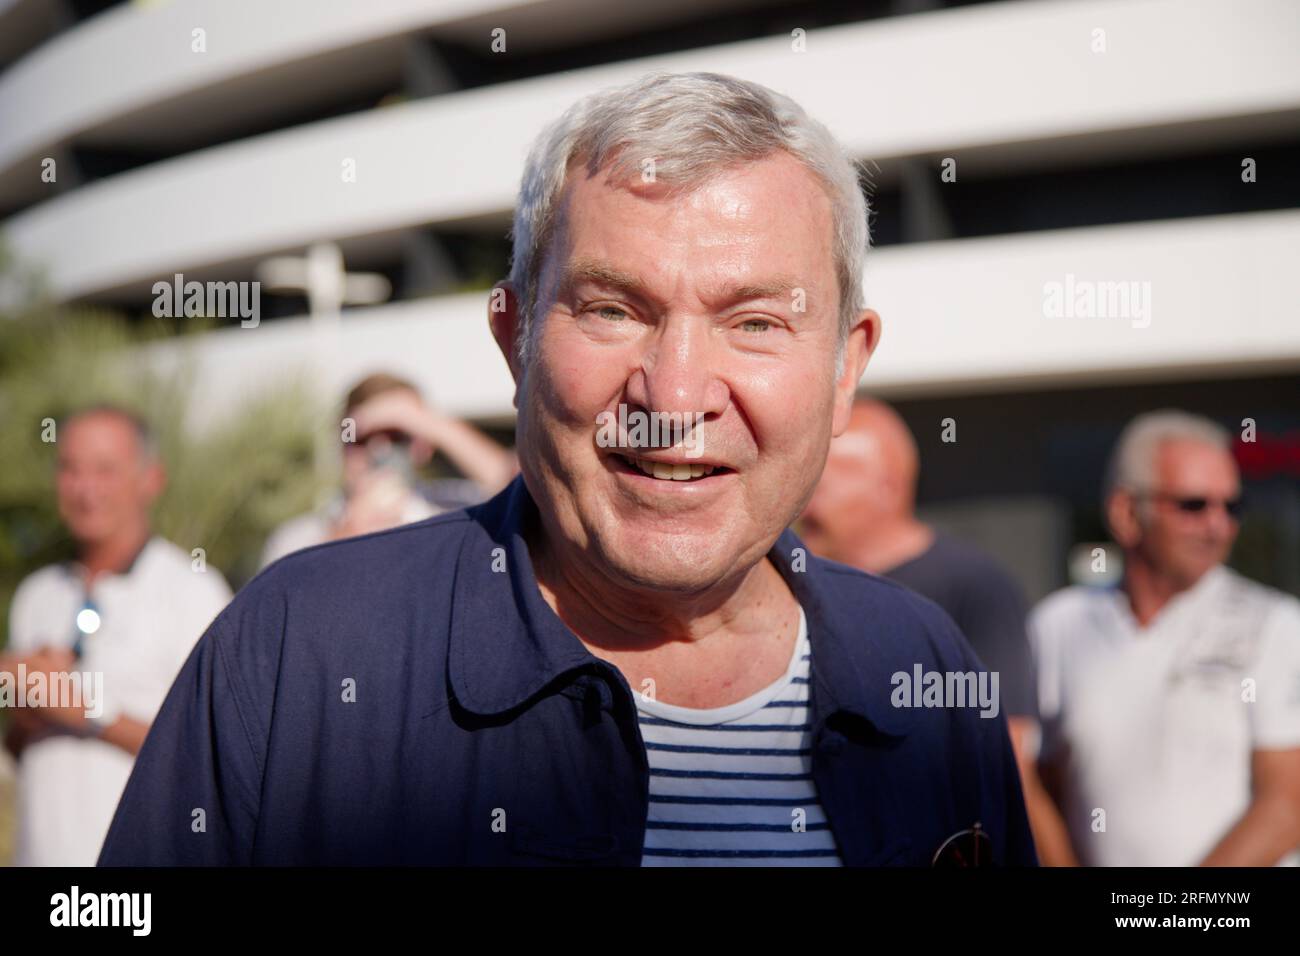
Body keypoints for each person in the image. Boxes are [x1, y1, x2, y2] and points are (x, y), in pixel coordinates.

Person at [100, 71, 1035, 866]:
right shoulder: (295, 652)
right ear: (515, 341)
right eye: (612, 309)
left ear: (844, 369)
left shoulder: (924, 669)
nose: (673, 396)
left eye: (754, 322)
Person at [801, 398, 1075, 864]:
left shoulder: (972, 585)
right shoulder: (796, 584)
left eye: (828, 471)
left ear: (888, 486)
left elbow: (1007, 754)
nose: (809, 489)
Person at [1031, 410, 1300, 866]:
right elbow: (1038, 785)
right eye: (1194, 505)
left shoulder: (1277, 624)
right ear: (1126, 512)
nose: (1219, 526)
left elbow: (1288, 803)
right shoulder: (1059, 624)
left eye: (1232, 507)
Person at [5, 406, 231, 866]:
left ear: (151, 479)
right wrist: (23, 700)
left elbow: (213, 756)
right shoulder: (37, 594)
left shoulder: (193, 590)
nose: (86, 489)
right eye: (70, 469)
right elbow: (20, 748)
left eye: (106, 470)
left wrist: (83, 707)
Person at [259, 372, 517, 567]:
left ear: (423, 445)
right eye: (362, 437)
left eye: (396, 435)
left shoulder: (456, 509)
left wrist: (427, 422)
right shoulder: (298, 537)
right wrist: (344, 538)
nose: (379, 450)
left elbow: (519, 484)